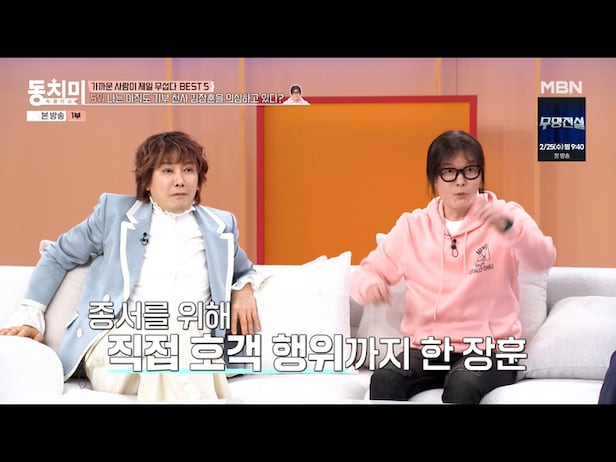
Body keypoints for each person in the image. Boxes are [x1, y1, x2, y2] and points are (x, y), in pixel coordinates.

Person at [0, 130, 261, 401]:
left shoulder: (220, 226)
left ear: (198, 179)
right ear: (147, 181)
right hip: (117, 348)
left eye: (188, 170)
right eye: (167, 171)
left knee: (176, 342)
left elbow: (244, 271)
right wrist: (31, 311)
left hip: (188, 344)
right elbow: (57, 255)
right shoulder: (114, 214)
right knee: (173, 339)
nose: (180, 180)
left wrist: (243, 289)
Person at [349, 129, 556, 404]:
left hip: (493, 349)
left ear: (480, 175)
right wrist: (370, 285)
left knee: (463, 384)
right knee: (384, 378)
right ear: (434, 178)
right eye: (449, 172)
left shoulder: (505, 215)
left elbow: (542, 258)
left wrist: (508, 230)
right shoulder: (413, 226)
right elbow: (366, 272)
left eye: (469, 170)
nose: (461, 181)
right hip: (429, 348)